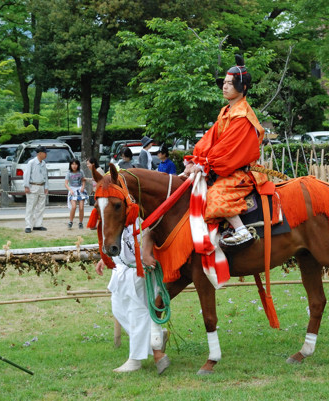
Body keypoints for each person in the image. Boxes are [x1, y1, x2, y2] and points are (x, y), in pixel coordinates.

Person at [183, 54, 265, 245]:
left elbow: (227, 151)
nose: (225, 86)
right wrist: (195, 159)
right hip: (222, 167)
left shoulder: (243, 116)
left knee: (216, 194)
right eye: (224, 83)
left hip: (237, 171)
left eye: (230, 83)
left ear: (242, 88)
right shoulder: (226, 111)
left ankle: (241, 231)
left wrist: (205, 165)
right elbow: (209, 139)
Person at [94, 223, 169, 374]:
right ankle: (156, 336)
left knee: (137, 313)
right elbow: (119, 239)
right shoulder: (118, 212)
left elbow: (150, 233)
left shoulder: (138, 212)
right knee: (118, 308)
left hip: (138, 269)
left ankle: (135, 359)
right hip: (121, 267)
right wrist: (108, 258)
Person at [23, 146, 49, 233]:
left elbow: (45, 175)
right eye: (45, 153)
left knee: (41, 207)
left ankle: (38, 224)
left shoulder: (43, 163)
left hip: (41, 186)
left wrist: (46, 187)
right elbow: (26, 175)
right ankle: (28, 226)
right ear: (40, 153)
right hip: (32, 186)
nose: (46, 154)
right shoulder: (31, 162)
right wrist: (26, 186)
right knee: (31, 206)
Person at [65, 159, 88, 229]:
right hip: (72, 190)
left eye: (75, 164)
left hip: (80, 189)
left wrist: (83, 187)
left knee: (81, 207)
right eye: (72, 164)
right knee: (74, 207)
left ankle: (80, 222)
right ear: (70, 165)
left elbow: (83, 180)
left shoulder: (81, 172)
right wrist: (70, 190)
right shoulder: (69, 173)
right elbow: (66, 183)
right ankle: (70, 221)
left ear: (78, 165)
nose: (74, 166)